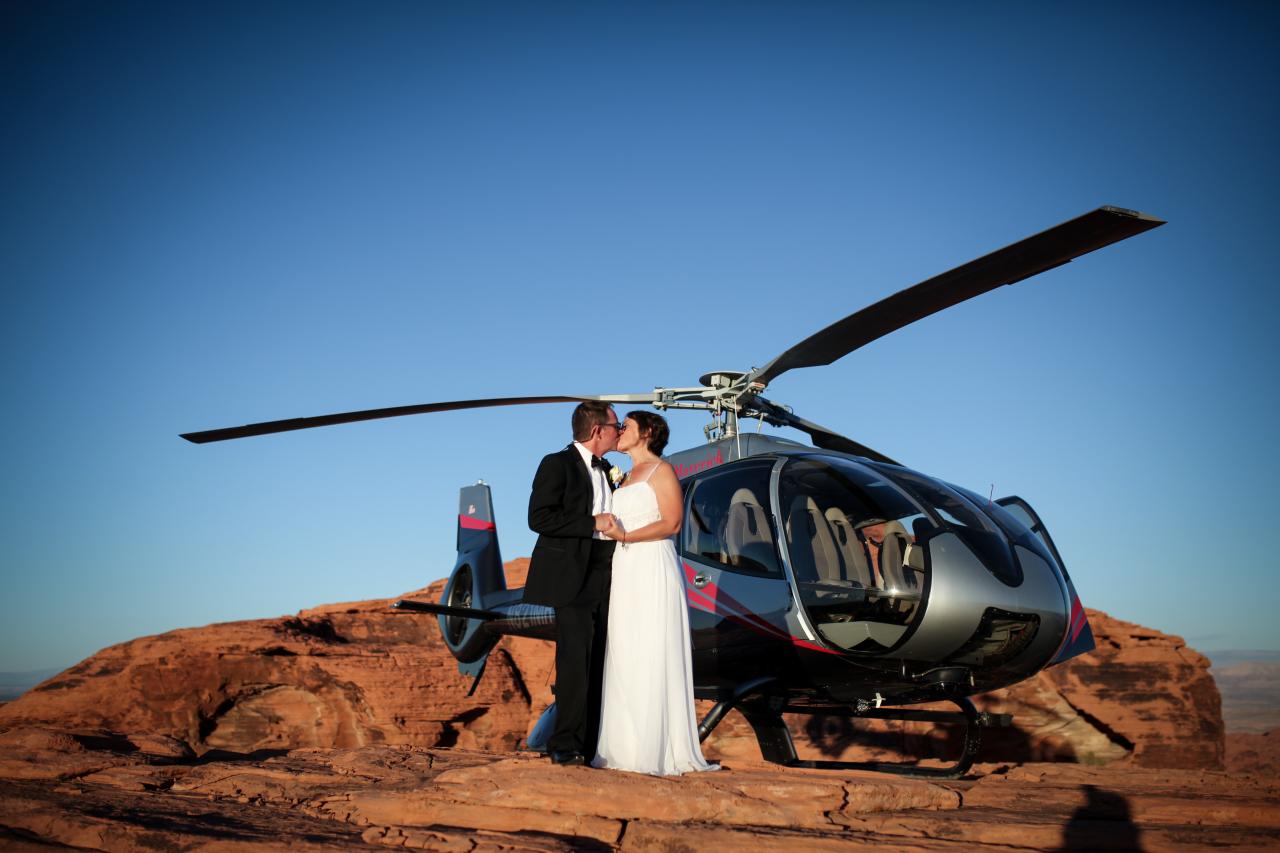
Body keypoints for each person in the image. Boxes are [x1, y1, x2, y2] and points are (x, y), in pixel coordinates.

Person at [592, 410, 719, 775]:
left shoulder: (661, 471)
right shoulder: (625, 476)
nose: (619, 431)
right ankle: (624, 749)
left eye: (626, 426)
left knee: (651, 647)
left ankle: (659, 750)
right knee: (625, 648)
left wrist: (628, 535)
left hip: (651, 565)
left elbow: (672, 522)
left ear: (646, 432)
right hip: (626, 567)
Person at [523, 401, 622, 766]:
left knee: (603, 658)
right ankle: (564, 744)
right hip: (573, 575)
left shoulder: (612, 469)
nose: (620, 430)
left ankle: (595, 743)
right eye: (617, 425)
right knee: (575, 659)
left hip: (611, 571)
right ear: (598, 430)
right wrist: (591, 522)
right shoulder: (556, 464)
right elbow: (539, 518)